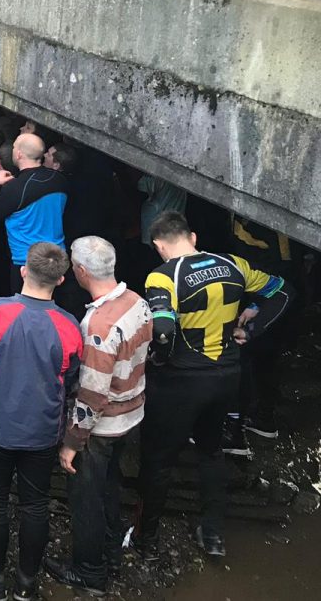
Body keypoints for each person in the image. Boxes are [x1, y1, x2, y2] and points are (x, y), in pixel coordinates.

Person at [134, 211, 291, 559]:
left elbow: (162, 331)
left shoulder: (162, 276)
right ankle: (213, 534)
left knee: (158, 458)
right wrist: (251, 330)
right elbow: (281, 292)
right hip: (225, 376)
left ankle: (146, 540)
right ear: (192, 238)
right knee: (211, 450)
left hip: (180, 381)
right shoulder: (233, 263)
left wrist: (158, 363)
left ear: (160, 246)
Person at [0, 243, 83, 601]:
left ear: (24, 270)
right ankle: (26, 586)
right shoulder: (70, 326)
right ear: (61, 279)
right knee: (35, 504)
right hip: (43, 432)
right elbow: (71, 377)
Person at [43, 236, 152, 594]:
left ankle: (89, 571)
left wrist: (73, 442)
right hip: (132, 414)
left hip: (102, 427)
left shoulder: (98, 327)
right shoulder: (137, 301)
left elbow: (92, 393)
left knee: (86, 497)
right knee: (109, 486)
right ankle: (111, 549)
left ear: (81, 271)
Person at [0, 133, 69, 292]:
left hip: (27, 263)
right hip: (57, 258)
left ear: (19, 154)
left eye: (14, 147)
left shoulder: (16, 188)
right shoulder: (60, 180)